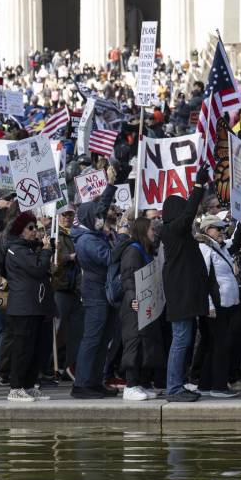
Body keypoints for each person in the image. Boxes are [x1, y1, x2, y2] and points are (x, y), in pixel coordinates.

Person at [161, 165, 211, 402]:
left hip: (186, 295)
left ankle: (179, 383)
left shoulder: (180, 234)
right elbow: (188, 214)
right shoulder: (172, 230)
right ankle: (173, 388)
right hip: (180, 296)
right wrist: (198, 187)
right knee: (180, 340)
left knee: (185, 340)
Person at [70, 167, 118, 399]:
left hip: (103, 293)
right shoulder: (88, 240)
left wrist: (110, 185)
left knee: (103, 339)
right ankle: (82, 383)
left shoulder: (92, 230)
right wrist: (124, 239)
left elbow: (100, 208)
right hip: (95, 294)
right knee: (93, 338)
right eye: (98, 218)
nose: (102, 220)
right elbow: (110, 258)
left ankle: (95, 380)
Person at [4, 211, 56, 402]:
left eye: (35, 227)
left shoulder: (29, 248)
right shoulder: (16, 249)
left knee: (37, 348)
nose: (34, 231)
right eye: (30, 228)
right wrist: (46, 251)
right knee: (22, 349)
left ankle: (28, 384)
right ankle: (15, 387)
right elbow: (36, 268)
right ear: (20, 231)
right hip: (23, 307)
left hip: (37, 305)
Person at [116, 217, 162, 401]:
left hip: (146, 304)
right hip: (134, 305)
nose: (154, 232)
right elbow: (127, 278)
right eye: (151, 228)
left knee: (145, 345)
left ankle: (141, 383)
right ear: (143, 230)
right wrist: (132, 298)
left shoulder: (146, 250)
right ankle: (131, 385)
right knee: (134, 343)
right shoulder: (132, 252)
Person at [196, 215, 240, 398]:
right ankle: (219, 386)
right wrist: (209, 305)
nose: (222, 231)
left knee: (214, 344)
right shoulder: (205, 248)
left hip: (226, 303)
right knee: (220, 344)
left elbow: (236, 241)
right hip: (216, 304)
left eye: (223, 228)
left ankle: (205, 384)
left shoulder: (218, 246)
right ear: (208, 230)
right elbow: (202, 279)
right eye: (218, 228)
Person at [52, 205, 83, 378]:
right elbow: (54, 259)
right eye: (65, 215)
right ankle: (53, 365)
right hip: (61, 287)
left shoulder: (75, 234)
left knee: (74, 330)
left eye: (70, 215)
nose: (68, 218)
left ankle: (69, 365)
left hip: (75, 288)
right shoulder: (56, 234)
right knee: (59, 329)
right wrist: (70, 257)